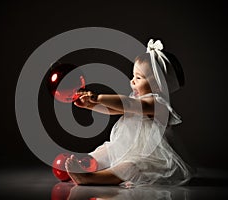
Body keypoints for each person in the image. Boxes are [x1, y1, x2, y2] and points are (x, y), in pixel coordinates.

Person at [64, 39, 192, 186]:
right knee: (106, 150)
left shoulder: (157, 104)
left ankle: (91, 178)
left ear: (158, 85)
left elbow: (128, 104)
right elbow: (115, 109)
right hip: (127, 146)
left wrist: (98, 98)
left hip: (149, 157)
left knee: (131, 167)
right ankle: (83, 167)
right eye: (133, 76)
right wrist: (91, 105)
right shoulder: (138, 99)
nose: (132, 81)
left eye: (138, 78)